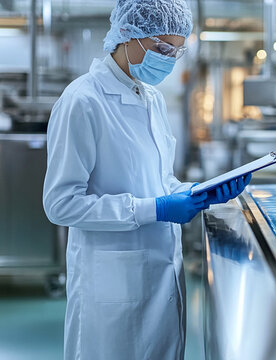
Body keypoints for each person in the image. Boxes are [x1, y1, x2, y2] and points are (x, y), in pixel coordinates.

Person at [42, 0, 250, 358]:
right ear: (128, 34)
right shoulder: (83, 101)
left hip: (162, 274)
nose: (168, 58)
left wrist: (198, 193)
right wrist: (153, 209)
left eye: (176, 50)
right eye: (161, 47)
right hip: (112, 287)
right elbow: (60, 204)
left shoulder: (150, 98)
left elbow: (159, 180)